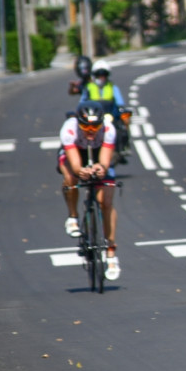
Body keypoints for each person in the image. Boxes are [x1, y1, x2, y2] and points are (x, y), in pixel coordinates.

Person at [59, 101, 121, 281]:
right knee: (71, 178)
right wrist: (81, 171)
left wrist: (101, 168)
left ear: (102, 123)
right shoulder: (69, 129)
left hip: (99, 153)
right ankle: (72, 217)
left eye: (96, 125)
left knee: (106, 201)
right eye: (85, 125)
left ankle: (111, 251)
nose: (91, 129)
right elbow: (76, 165)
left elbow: (105, 161)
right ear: (78, 122)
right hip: (76, 153)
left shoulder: (109, 129)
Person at [81, 60, 130, 163]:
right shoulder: (89, 87)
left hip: (110, 115)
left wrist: (122, 109)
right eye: (99, 75)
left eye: (104, 74)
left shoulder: (112, 86)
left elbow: (119, 101)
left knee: (124, 123)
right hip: (94, 116)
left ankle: (124, 146)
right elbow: (82, 102)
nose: (101, 77)